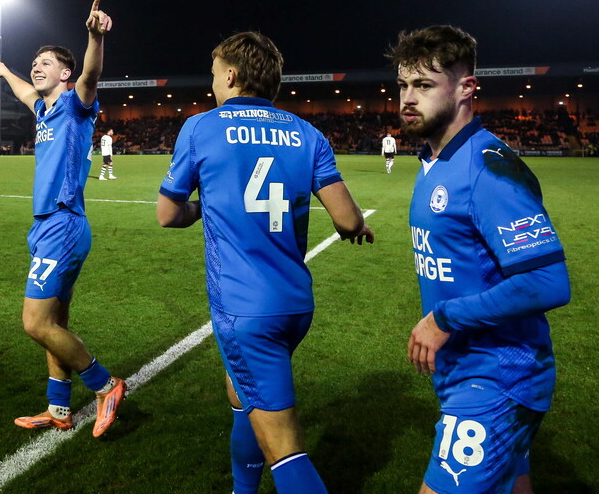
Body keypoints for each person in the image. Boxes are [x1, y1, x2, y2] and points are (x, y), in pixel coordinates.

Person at [157, 31, 374, 494]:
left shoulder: (201, 127)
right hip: (296, 304)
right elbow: (348, 219)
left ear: (231, 75)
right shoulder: (307, 133)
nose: (211, 83)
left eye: (214, 74)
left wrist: (205, 207)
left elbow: (168, 214)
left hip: (246, 309)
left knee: (286, 449)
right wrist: (357, 228)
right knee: (242, 397)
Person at [388, 25, 571, 494]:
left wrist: (445, 318)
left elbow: (548, 281)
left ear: (466, 87)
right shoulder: (436, 161)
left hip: (498, 377)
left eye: (424, 85)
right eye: (404, 85)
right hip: (465, 370)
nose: (408, 98)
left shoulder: (486, 167)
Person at [0, 0, 126, 438]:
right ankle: (59, 409)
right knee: (55, 324)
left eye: (45, 62)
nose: (36, 67)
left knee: (35, 323)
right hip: (44, 224)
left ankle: (106, 385)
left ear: (63, 73)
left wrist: (94, 35)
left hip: (63, 223)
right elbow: (25, 92)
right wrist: (4, 70)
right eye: (35, 62)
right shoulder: (45, 110)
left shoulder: (76, 105)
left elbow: (91, 73)